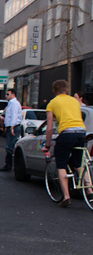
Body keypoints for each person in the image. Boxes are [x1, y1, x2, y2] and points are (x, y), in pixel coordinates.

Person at [41, 79, 89, 207]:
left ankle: (66, 197)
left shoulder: (52, 103)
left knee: (61, 164)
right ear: (67, 90)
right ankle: (89, 190)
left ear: (54, 91)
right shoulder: (75, 101)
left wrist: (47, 145)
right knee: (78, 164)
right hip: (81, 132)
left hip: (66, 133)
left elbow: (50, 127)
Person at [0, 89, 22, 172]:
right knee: (9, 147)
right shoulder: (10, 103)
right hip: (10, 127)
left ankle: (11, 165)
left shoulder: (15, 104)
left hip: (14, 127)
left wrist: (11, 128)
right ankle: (9, 165)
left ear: (13, 94)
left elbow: (14, 116)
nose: (6, 96)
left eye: (8, 94)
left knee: (10, 147)